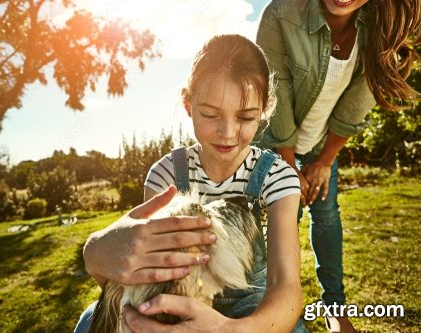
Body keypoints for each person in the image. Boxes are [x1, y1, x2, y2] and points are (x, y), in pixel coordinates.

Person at [75, 34, 308, 333]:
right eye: (210, 114)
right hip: (179, 290)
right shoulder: (166, 174)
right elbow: (147, 264)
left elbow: (286, 287)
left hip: (252, 301)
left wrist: (231, 330)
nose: (227, 132)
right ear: (188, 104)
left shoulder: (277, 176)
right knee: (87, 324)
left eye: (246, 117)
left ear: (264, 110)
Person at [256, 0, 419, 332]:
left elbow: (355, 107)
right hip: (275, 141)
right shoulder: (281, 15)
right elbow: (276, 98)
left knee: (327, 212)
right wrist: (289, 168)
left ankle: (334, 309)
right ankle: (274, 306)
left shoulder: (381, 30)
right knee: (284, 215)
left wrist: (325, 162)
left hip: (321, 142)